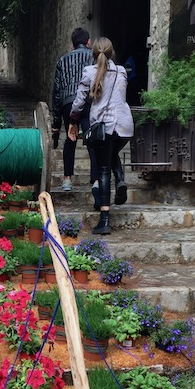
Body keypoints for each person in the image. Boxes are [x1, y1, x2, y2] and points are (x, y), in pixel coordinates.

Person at [68, 36, 134, 235]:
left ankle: (105, 220)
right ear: (112, 53)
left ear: (94, 53)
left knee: (103, 169)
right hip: (124, 126)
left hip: (104, 126)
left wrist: (73, 121)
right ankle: (120, 178)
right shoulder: (122, 71)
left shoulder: (89, 72)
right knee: (111, 153)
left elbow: (79, 103)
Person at [51, 28, 92, 191]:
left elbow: (56, 91)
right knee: (92, 139)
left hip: (67, 102)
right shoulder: (94, 57)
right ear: (88, 42)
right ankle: (95, 179)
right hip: (88, 102)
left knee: (70, 139)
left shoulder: (62, 61)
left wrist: (56, 121)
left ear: (72, 44)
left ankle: (67, 179)